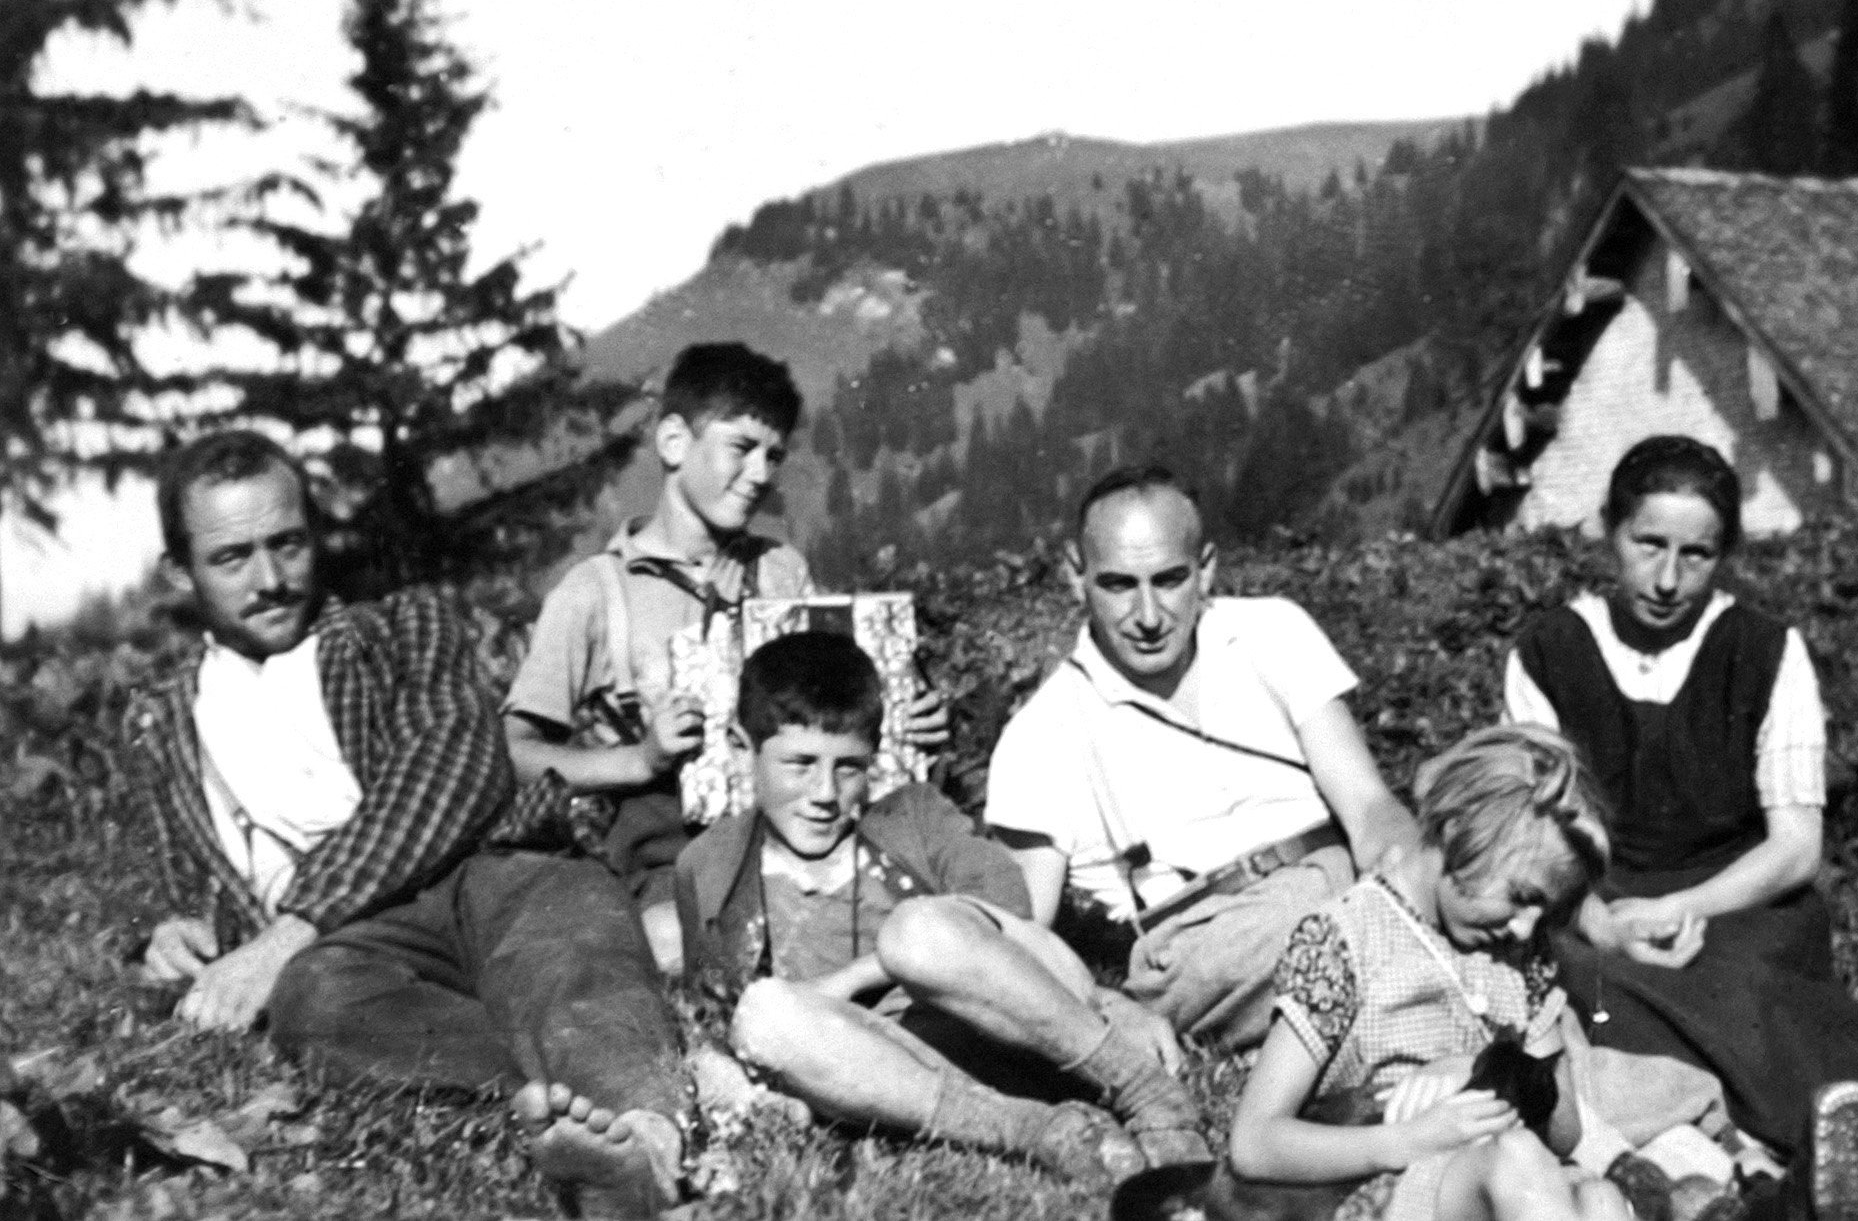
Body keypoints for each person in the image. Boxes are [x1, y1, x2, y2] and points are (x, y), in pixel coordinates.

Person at [127, 429, 692, 1218]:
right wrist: (169, 931)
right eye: (232, 558)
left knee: (568, 939)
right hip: (349, 948)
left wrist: (285, 934)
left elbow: (449, 776)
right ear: (179, 570)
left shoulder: (400, 630)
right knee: (316, 1005)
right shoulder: (163, 722)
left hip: (481, 870)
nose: (270, 580)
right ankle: (576, 1113)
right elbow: (181, 881)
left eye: (287, 544)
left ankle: (645, 1141)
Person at [1501, 436, 1858, 1198]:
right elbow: (1538, 832)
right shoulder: (1548, 652)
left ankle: (1813, 1137)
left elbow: (1795, 847)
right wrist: (1603, 923)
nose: (1667, 579)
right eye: (1648, 544)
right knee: (1586, 986)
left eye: (1696, 555)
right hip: (1595, 902)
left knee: (1743, 985)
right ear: (1609, 530)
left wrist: (1679, 907)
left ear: (1724, 555)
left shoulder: (1764, 651)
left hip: (1735, 900)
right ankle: (1736, 1154)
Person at [680, 631, 1207, 1183]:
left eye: (849, 767)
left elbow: (1009, 912)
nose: (825, 793)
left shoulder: (913, 816)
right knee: (763, 1015)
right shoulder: (708, 865)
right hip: (898, 1069)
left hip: (1015, 1020)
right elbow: (715, 1007)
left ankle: (1146, 1093)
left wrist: (853, 978)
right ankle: (1036, 1130)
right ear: (742, 747)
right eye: (800, 764)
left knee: (918, 932)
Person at [502, 341, 945, 973]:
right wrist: (638, 759)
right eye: (741, 447)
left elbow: (838, 703)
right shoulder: (597, 592)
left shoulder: (781, 571)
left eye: (774, 455)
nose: (761, 474)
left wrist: (904, 718)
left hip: (804, 838)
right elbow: (515, 753)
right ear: (674, 442)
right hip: (674, 858)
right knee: (676, 938)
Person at [986, 464, 1423, 1048]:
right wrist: (1104, 1006)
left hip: (1333, 879)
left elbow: (1368, 807)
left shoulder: (1271, 631)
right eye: (1118, 585)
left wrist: (1409, 870)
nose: (1148, 616)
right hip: (1208, 942)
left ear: (1207, 568)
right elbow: (1020, 932)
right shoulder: (1041, 734)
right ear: (1075, 576)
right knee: (1319, 924)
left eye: (1170, 580)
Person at [1223, 724, 1631, 1221]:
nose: (1526, 928)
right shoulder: (1348, 940)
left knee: (1600, 1199)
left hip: (1499, 1186)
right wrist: (1403, 1141)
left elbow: (1567, 1132)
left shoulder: (1521, 958)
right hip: (1383, 1187)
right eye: (1521, 897)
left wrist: (1488, 1071)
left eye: (1544, 912)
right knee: (1516, 1158)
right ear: (1458, 831)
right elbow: (1254, 1142)